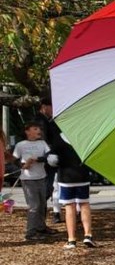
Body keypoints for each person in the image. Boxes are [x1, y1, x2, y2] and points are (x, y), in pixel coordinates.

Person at [12, 121, 52, 242]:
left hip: (42, 177)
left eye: (39, 128)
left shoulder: (43, 143)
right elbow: (14, 159)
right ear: (27, 131)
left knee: (42, 204)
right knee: (34, 206)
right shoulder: (20, 145)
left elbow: (50, 156)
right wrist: (23, 165)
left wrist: (37, 159)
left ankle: (41, 228)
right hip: (28, 179)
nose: (38, 131)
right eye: (35, 128)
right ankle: (30, 232)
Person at [39, 96, 62, 224]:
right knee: (48, 188)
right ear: (45, 107)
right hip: (47, 158)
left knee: (52, 187)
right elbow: (44, 141)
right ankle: (41, 221)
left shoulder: (47, 121)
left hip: (49, 157)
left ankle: (43, 221)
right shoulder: (42, 122)